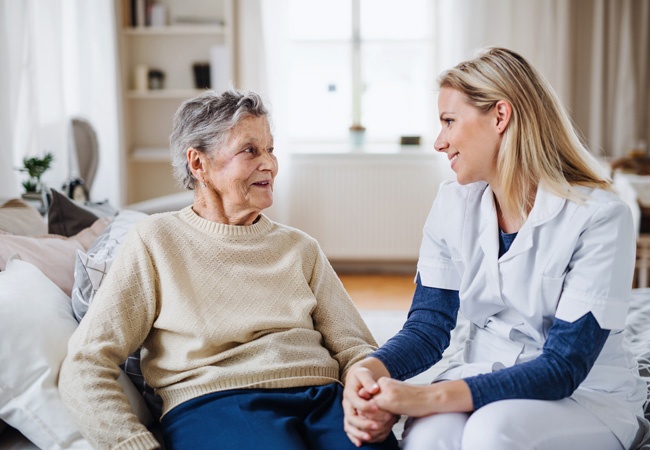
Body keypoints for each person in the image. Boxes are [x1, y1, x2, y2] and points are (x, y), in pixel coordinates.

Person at [342, 47, 649, 450]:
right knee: (428, 438)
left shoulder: (600, 218)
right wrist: (370, 368)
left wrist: (424, 397)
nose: (440, 142)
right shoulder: (452, 203)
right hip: (478, 374)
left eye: (449, 121)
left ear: (500, 117)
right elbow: (429, 326)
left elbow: (563, 367)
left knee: (492, 432)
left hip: (585, 396)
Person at [59, 89, 400, 450]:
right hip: (217, 400)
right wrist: (131, 443)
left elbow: (355, 347)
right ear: (198, 163)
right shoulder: (156, 239)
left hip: (326, 396)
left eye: (270, 148)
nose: (269, 163)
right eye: (250, 150)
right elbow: (86, 361)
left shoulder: (299, 247)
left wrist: (369, 393)